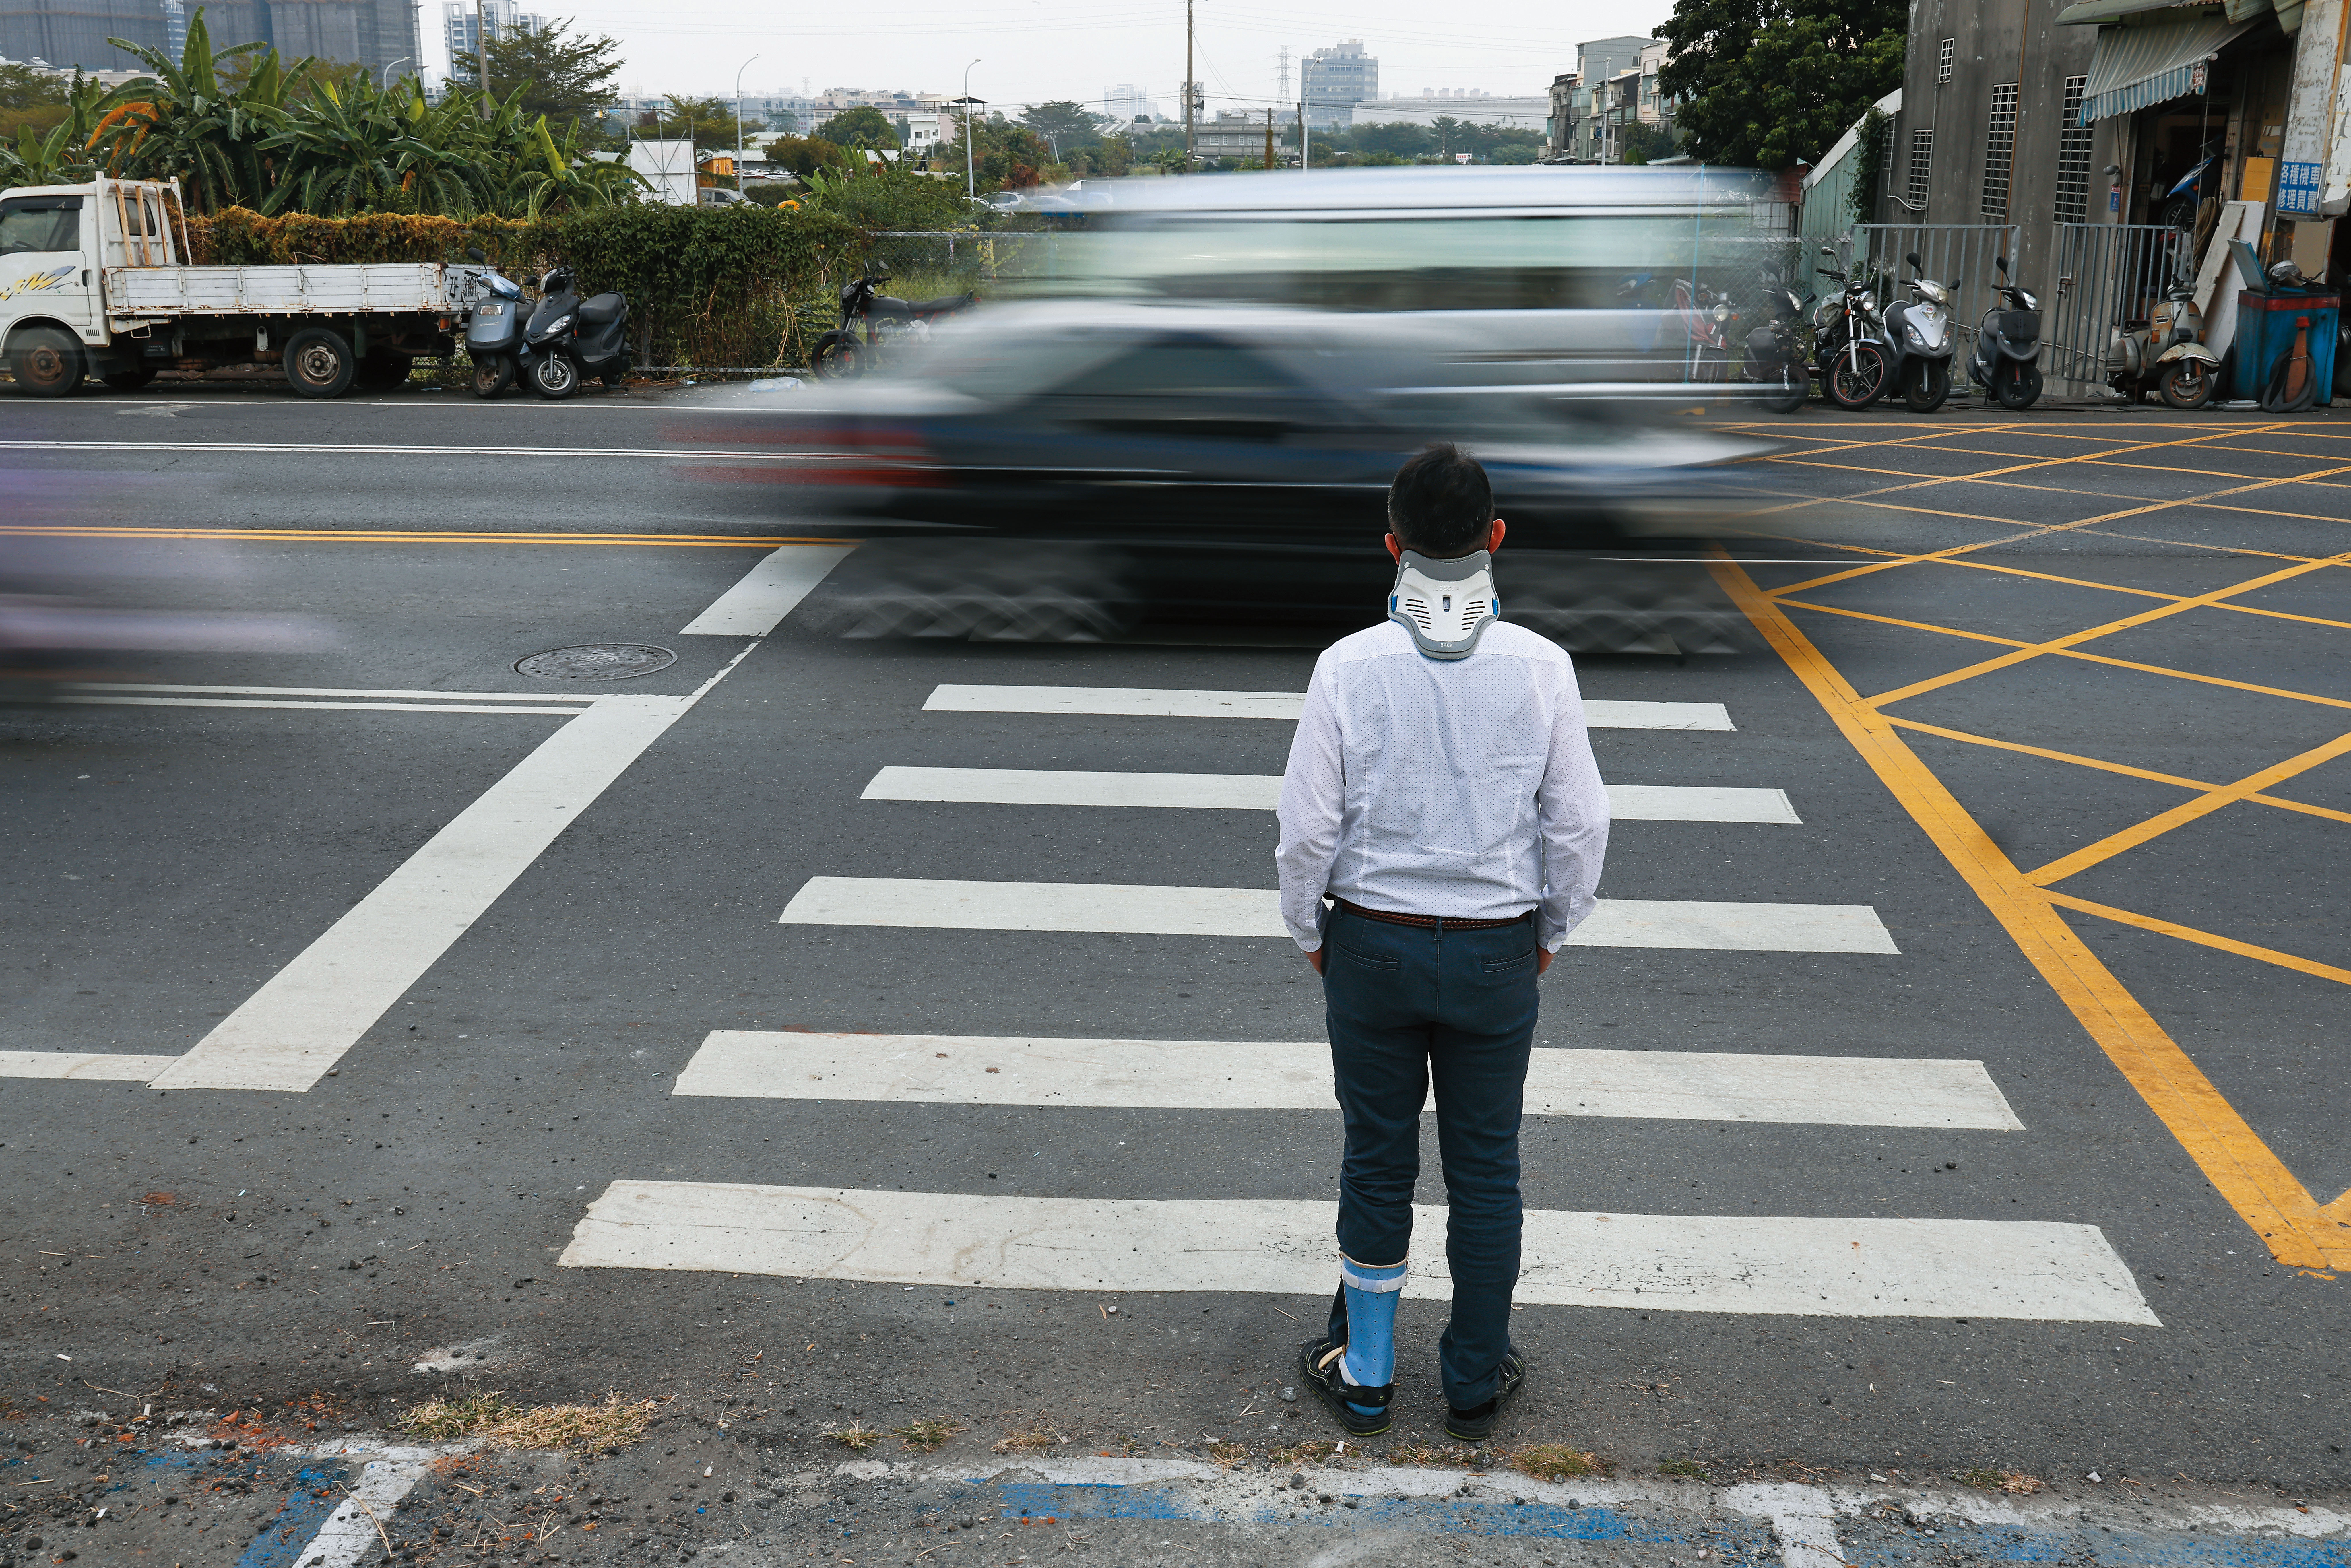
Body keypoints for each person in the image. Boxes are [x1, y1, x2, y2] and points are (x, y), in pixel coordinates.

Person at [1274, 442, 1609, 1443]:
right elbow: (1580, 828)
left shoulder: (1347, 667)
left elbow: (1306, 832)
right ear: (1495, 540)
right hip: (1496, 952)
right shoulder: (1543, 668)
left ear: (1393, 548)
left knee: (1376, 1165)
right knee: (1486, 1170)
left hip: (1369, 948)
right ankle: (1471, 1379)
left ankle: (1367, 1373)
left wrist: (1312, 936)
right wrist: (1550, 932)